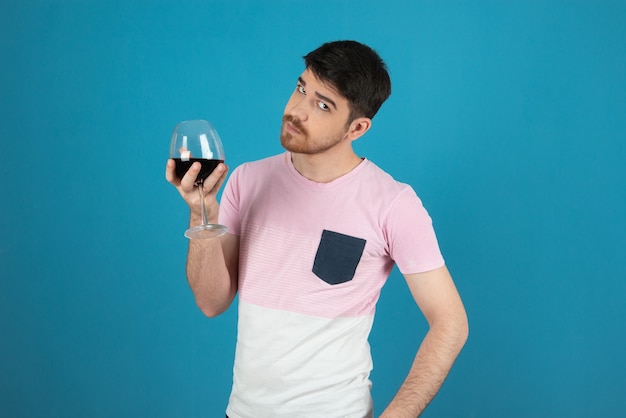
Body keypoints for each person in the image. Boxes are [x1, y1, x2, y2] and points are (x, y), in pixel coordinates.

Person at [165, 40, 468, 418]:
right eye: (301, 88)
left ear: (357, 127)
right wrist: (202, 214)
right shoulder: (248, 180)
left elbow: (450, 323)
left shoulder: (393, 204)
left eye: (323, 105)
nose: (296, 111)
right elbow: (212, 302)